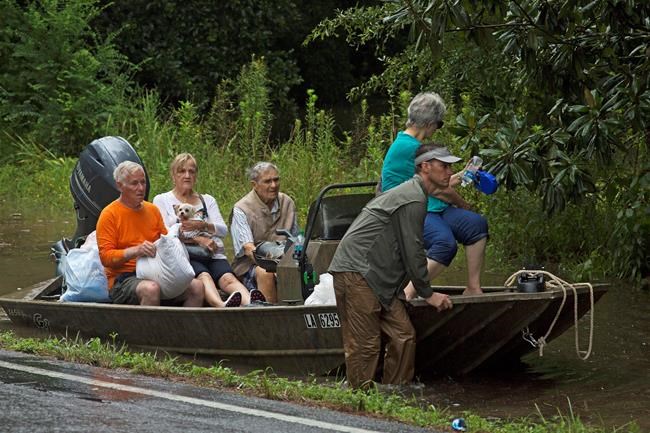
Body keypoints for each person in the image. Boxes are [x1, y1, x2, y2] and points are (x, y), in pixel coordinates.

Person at [329, 143, 454, 388]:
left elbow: (403, 250)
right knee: (365, 344)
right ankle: (358, 400)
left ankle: (395, 395)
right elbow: (413, 250)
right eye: (444, 166)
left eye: (451, 166)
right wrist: (427, 294)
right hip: (358, 272)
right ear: (425, 167)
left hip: (381, 279)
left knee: (403, 335)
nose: (449, 172)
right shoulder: (413, 198)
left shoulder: (417, 194)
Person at [381, 91, 488, 296]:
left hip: (431, 206)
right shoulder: (409, 148)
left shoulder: (415, 145)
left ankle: (473, 287)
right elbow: (440, 191)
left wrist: (463, 174)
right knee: (444, 242)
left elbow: (437, 183)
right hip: (408, 209)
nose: (437, 129)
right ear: (430, 123)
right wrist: (464, 205)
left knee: (476, 224)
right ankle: (409, 293)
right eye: (439, 124)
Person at [153, 153, 263, 307]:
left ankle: (252, 303)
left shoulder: (207, 200)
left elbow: (223, 230)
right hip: (185, 255)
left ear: (196, 175)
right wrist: (198, 239)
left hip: (212, 253)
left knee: (228, 278)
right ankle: (221, 305)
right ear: (173, 175)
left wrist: (203, 226)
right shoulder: (162, 200)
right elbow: (165, 233)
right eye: (182, 171)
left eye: (191, 171)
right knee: (204, 276)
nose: (187, 176)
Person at [97, 161, 204, 306]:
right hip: (124, 278)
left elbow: (166, 241)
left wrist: (181, 236)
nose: (141, 188)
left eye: (143, 182)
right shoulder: (109, 214)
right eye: (134, 183)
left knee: (197, 287)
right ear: (119, 186)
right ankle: (149, 329)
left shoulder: (152, 210)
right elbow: (105, 258)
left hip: (156, 271)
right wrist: (136, 251)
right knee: (151, 289)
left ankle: (183, 328)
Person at [230, 162, 298, 304]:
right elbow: (248, 249)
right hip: (251, 265)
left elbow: (296, 238)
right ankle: (270, 316)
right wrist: (273, 266)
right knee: (265, 273)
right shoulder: (241, 209)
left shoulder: (287, 202)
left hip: (284, 259)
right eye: (267, 181)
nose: (273, 185)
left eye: (276, 180)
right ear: (254, 185)